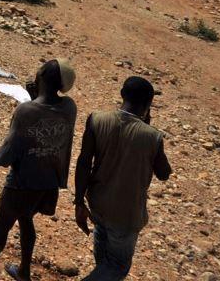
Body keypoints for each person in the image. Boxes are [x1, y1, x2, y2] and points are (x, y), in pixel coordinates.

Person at [0, 59, 79, 281]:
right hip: (48, 182)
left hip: (22, 182)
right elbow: (46, 116)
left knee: (2, 226)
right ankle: (24, 272)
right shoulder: (69, 107)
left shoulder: (26, 110)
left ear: (41, 76)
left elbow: (10, 149)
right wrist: (36, 97)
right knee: (26, 220)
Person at [73, 77, 171, 281]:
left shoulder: (97, 119)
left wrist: (79, 201)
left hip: (97, 204)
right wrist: (147, 127)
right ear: (148, 104)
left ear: (122, 94)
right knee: (117, 266)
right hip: (126, 214)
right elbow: (164, 173)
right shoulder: (152, 136)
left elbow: (83, 162)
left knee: (104, 262)